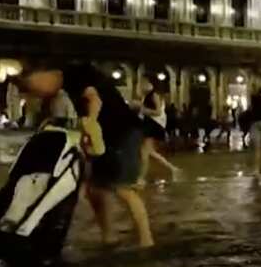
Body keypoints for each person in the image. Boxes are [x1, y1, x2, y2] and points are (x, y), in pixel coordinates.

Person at [19, 63, 154, 247]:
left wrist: (89, 121)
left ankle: (146, 240)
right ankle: (109, 236)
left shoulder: (76, 74)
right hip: (103, 134)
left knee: (123, 187)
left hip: (123, 131)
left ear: (45, 75)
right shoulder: (65, 84)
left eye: (36, 88)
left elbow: (94, 99)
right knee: (95, 189)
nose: (39, 94)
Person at [137, 78, 181, 185]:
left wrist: (142, 109)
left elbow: (158, 112)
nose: (142, 85)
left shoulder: (154, 95)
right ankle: (173, 169)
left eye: (145, 83)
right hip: (149, 125)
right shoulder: (147, 96)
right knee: (149, 152)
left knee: (145, 153)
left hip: (153, 126)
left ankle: (141, 178)